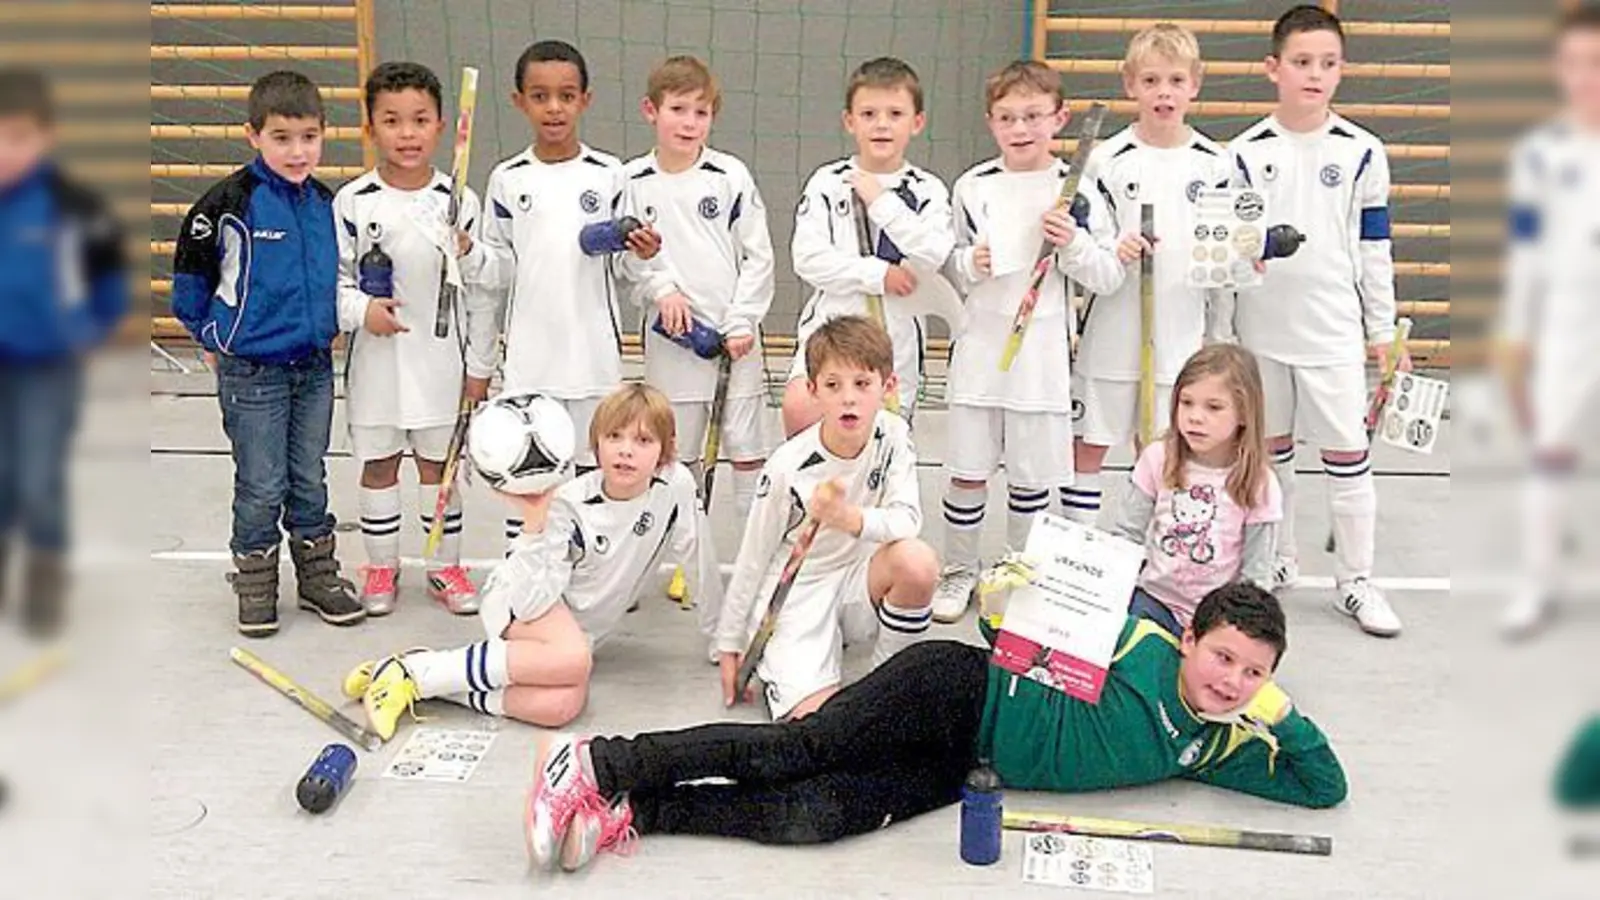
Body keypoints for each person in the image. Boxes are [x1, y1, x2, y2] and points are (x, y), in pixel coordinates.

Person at [523, 582, 1346, 872]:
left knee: (816, 818)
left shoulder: (1213, 744)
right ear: (1193, 638)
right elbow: (1006, 634)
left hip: (968, 771)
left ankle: (639, 811)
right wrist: (1007, 598)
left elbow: (1323, 787)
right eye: (1225, 657)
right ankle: (596, 764)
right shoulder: (1137, 638)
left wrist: (1286, 718)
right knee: (796, 750)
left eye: (1254, 673)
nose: (1232, 682)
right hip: (956, 692)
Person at [346, 384, 722, 739]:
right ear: (595, 445)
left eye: (643, 441)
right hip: (520, 599)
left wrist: (720, 639)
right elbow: (529, 604)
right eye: (614, 437)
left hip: (579, 634)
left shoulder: (676, 486)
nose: (625, 451)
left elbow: (698, 559)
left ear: (666, 450)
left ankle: (422, 679)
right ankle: (413, 672)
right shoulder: (568, 504)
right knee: (573, 659)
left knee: (561, 706)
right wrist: (535, 523)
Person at [1225, 4, 1407, 637]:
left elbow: (1373, 247)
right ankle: (1278, 559)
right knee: (1270, 457)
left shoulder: (1363, 152)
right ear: (1273, 68)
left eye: (1327, 64)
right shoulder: (1244, 153)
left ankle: (1355, 579)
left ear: (1342, 71)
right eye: (1301, 62)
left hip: (1333, 332)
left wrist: (1382, 332)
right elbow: (1229, 251)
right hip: (1260, 333)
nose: (1314, 74)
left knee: (1348, 457)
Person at [172, 70, 363, 636]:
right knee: (261, 481)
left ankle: (317, 576)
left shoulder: (328, 204)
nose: (297, 150)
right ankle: (255, 579)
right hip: (251, 370)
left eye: (309, 137)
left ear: (324, 135)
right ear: (253, 135)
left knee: (309, 475)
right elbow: (189, 277)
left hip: (313, 368)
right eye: (282, 137)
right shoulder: (230, 202)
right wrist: (212, 335)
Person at [933, 60, 1125, 623]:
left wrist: (1072, 245)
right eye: (1008, 117)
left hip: (1041, 356)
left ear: (1060, 118)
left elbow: (1108, 275)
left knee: (1029, 478)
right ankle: (959, 569)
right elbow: (947, 261)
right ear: (991, 122)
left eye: (1034, 116)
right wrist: (971, 261)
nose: (1021, 128)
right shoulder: (972, 186)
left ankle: (1016, 571)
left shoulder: (1080, 187)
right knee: (967, 470)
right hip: (981, 348)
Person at [476, 39, 677, 546]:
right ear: (519, 101)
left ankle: (594, 567)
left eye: (566, 95)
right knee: (524, 469)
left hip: (593, 359)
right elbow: (496, 272)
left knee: (596, 470)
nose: (554, 107)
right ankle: (522, 567)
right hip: (530, 360)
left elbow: (631, 265)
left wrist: (647, 253)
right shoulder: (507, 180)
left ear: (585, 100)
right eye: (540, 96)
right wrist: (465, 254)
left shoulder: (610, 175)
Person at [334, 61, 497, 617]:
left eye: (419, 120)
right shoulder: (353, 202)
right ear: (370, 128)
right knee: (379, 463)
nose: (407, 133)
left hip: (441, 366)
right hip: (376, 364)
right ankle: (381, 565)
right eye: (392, 120)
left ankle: (443, 565)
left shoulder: (460, 201)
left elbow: (488, 287)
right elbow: (331, 285)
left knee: (439, 466)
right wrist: (362, 311)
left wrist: (479, 366)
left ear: (442, 125)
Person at [715, 316, 938, 722]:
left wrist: (849, 519)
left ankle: (887, 682)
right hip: (800, 590)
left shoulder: (894, 435)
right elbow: (753, 558)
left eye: (862, 384)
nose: (848, 399)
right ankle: (802, 669)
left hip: (858, 580)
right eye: (833, 386)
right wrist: (730, 643)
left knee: (916, 561)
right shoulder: (787, 467)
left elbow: (908, 520)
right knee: (821, 724)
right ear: (813, 391)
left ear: (888, 388)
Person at [621, 55, 778, 602]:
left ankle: (755, 565)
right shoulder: (631, 181)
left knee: (746, 453)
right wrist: (662, 289)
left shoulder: (729, 175)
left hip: (736, 344)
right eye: (678, 110)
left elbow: (758, 256)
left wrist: (742, 320)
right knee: (675, 458)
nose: (689, 123)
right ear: (651, 111)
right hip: (672, 348)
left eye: (702, 112)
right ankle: (683, 559)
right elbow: (628, 262)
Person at [1068, 23, 1233, 528]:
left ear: (1195, 84)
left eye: (1176, 81)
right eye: (1152, 80)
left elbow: (1224, 265)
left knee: (1163, 452)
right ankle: (1081, 558)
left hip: (1180, 336)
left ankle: (1156, 557)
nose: (1164, 92)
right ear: (1130, 84)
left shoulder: (1216, 163)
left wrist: (1219, 337)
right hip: (1112, 333)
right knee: (1088, 448)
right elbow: (1087, 251)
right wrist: (1116, 251)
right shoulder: (1105, 160)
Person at [0, 66, 127, 637]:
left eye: (19, 137)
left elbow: (108, 279)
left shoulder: (73, 205)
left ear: (46, 137)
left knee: (39, 476)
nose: (6, 152)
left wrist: (90, 331)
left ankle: (46, 577)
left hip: (49, 369)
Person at [1494, 3, 1600, 638]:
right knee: (1549, 456)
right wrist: (1515, 334)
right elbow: (1525, 252)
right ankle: (1538, 582)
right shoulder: (1539, 154)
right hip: (1565, 326)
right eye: (1578, 62)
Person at [784, 57, 956, 434]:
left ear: (917, 122)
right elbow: (808, 258)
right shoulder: (828, 182)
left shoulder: (927, 190)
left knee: (883, 442)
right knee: (800, 411)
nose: (881, 124)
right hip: (832, 326)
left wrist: (880, 202)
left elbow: (932, 253)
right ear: (850, 121)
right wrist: (878, 274)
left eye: (895, 113)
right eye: (868, 113)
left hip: (897, 336)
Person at [1107, 344, 1281, 633]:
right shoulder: (1157, 458)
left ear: (1244, 413)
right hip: (1153, 603)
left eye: (1213, 407)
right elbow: (1126, 536)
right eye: (1186, 403)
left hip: (1216, 617)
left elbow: (1256, 576)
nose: (1195, 417)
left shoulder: (1259, 482)